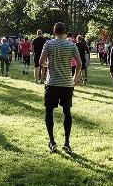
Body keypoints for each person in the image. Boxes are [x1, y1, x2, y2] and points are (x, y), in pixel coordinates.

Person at [40, 22, 82, 154]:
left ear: (54, 32)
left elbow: (41, 62)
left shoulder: (49, 44)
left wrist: (49, 64)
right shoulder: (72, 45)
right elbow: (79, 64)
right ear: (65, 32)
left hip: (52, 83)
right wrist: (75, 77)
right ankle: (67, 142)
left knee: (49, 112)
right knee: (67, 112)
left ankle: (52, 141)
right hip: (67, 83)